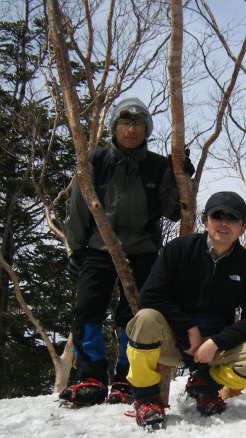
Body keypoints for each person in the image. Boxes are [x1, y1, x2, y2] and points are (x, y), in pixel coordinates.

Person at [60, 97, 181, 407]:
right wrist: (75, 249)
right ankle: (91, 376)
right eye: (125, 123)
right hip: (98, 247)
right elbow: (77, 207)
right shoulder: (95, 162)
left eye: (138, 124)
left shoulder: (157, 166)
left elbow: (173, 212)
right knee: (88, 308)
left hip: (142, 249)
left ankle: (127, 377)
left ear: (147, 130)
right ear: (114, 128)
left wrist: (182, 176)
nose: (131, 130)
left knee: (137, 315)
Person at [125, 191, 246, 428]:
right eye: (217, 216)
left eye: (232, 218)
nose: (224, 223)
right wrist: (188, 327)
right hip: (173, 339)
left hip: (215, 348)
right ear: (205, 221)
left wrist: (217, 342)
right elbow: (150, 295)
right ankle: (146, 399)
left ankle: (205, 386)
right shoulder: (180, 249)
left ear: (243, 226)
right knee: (145, 319)